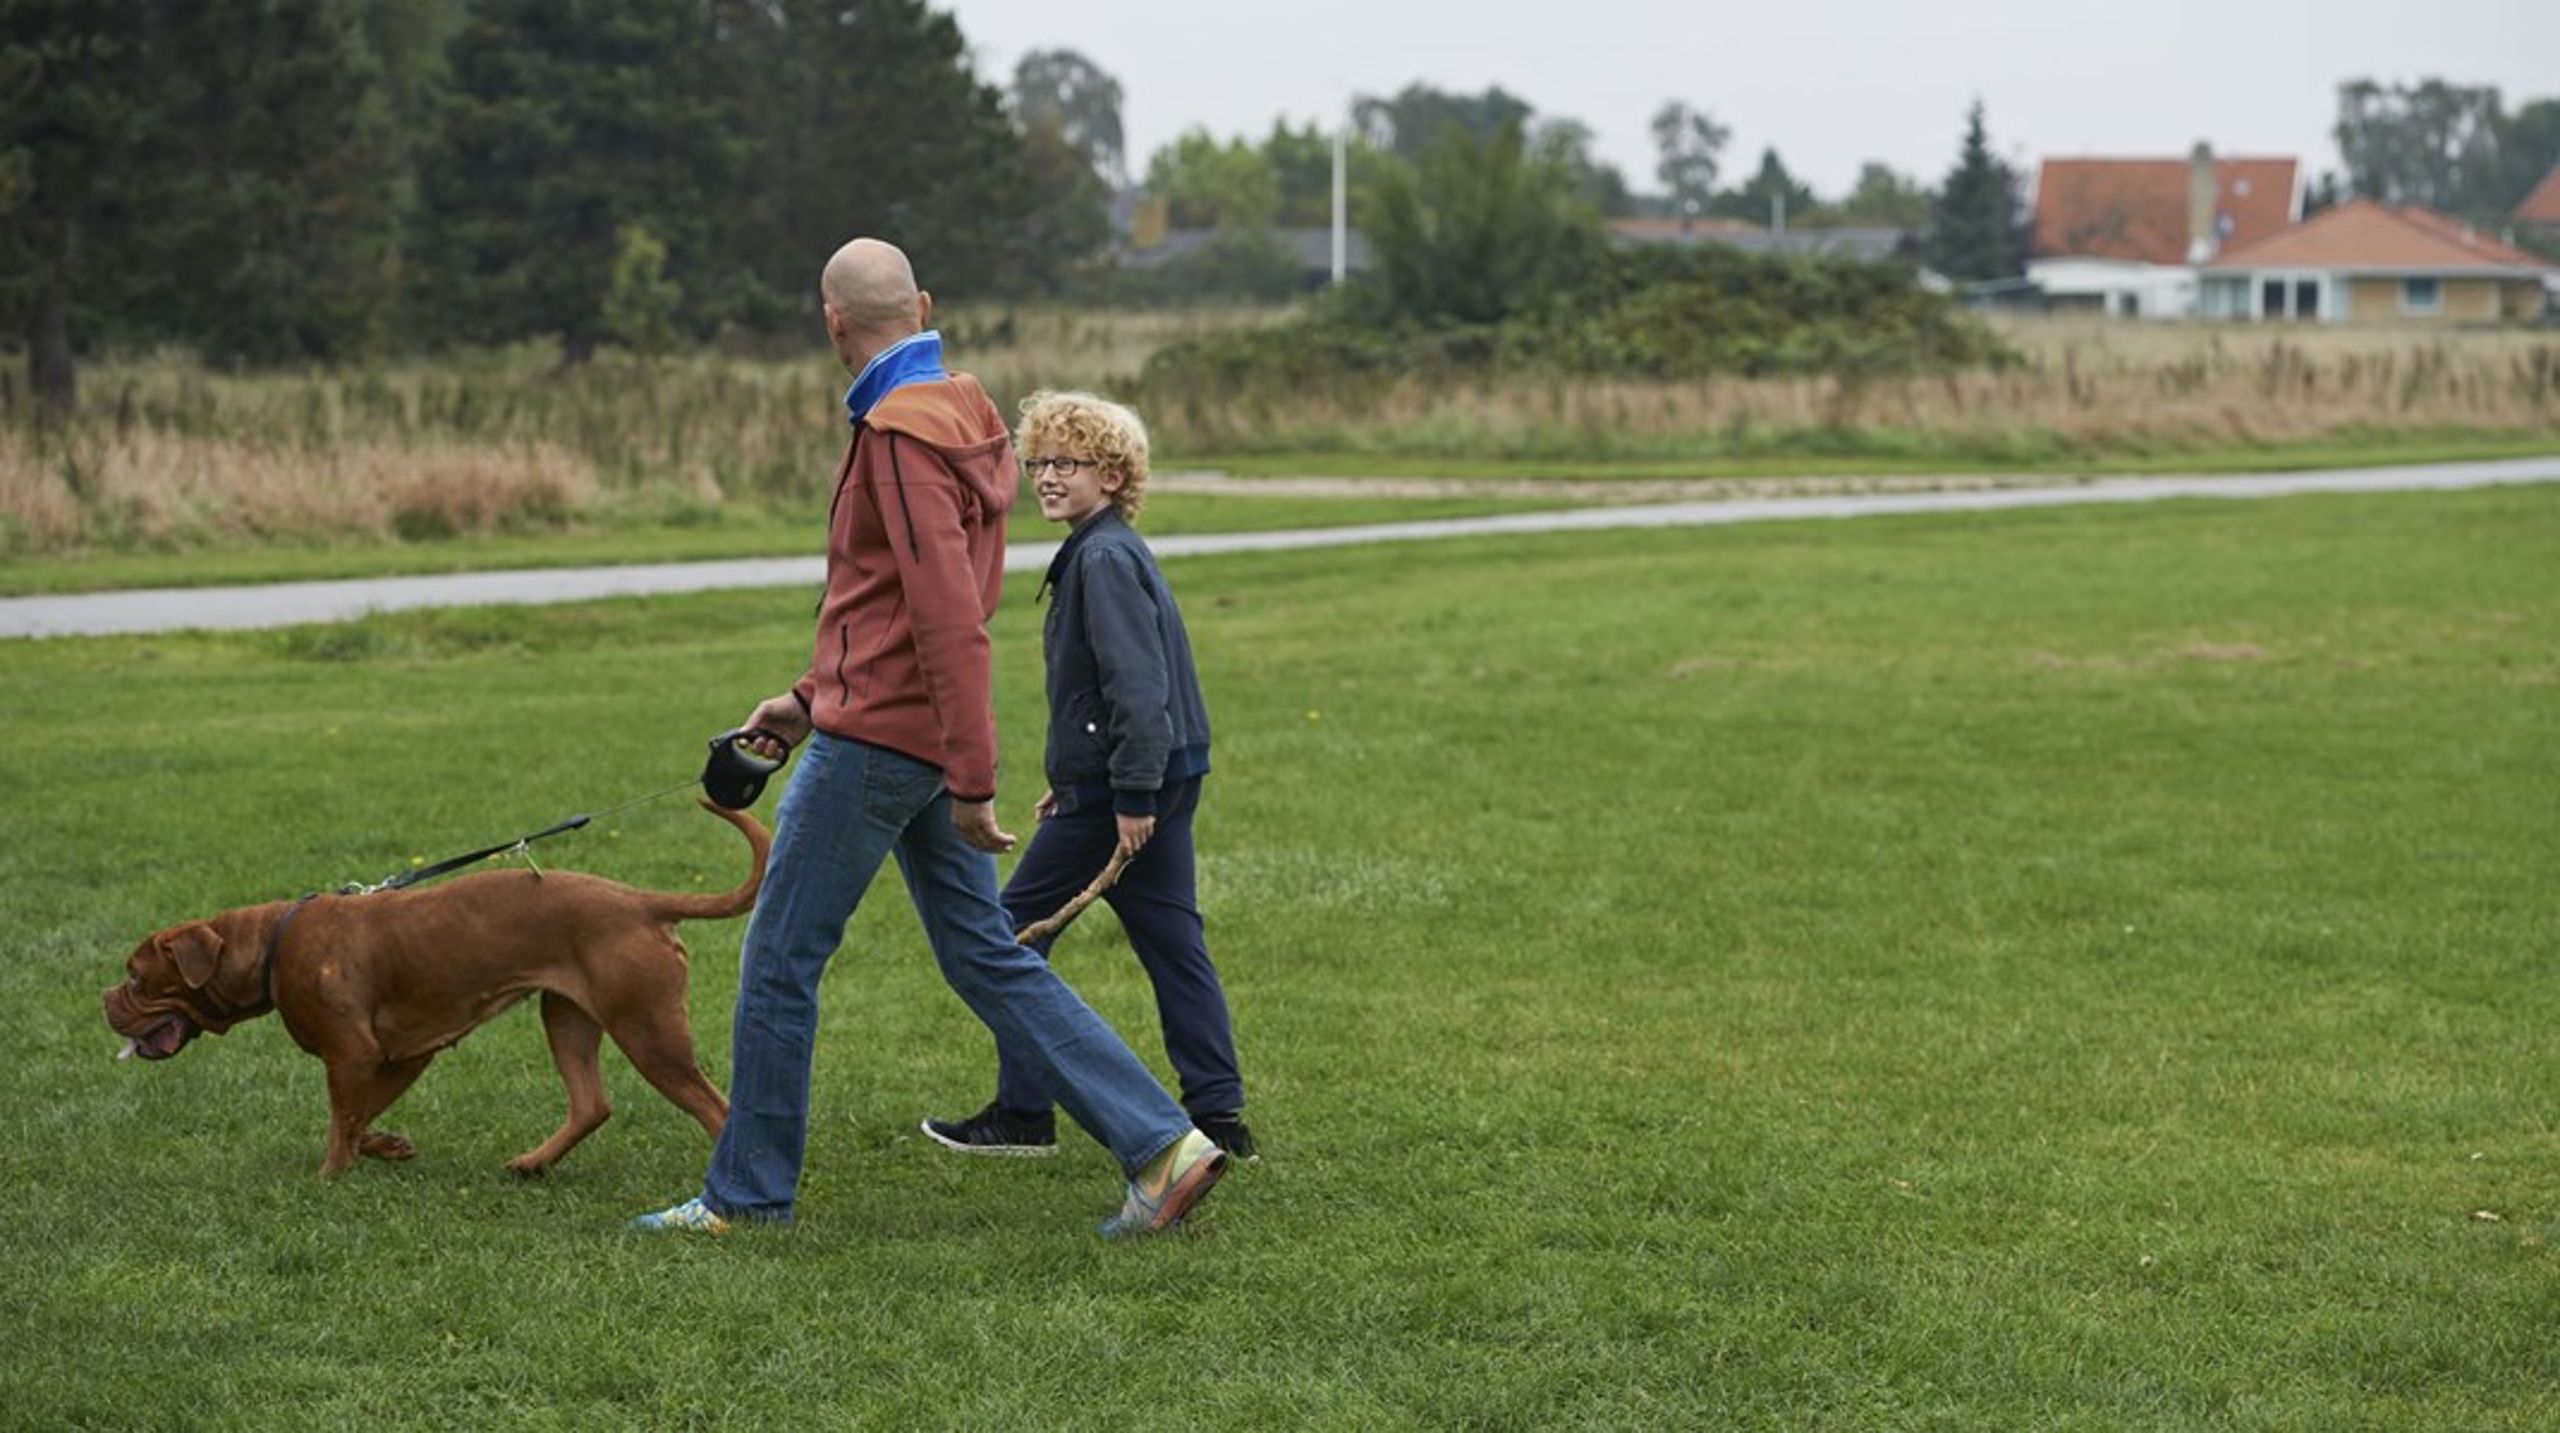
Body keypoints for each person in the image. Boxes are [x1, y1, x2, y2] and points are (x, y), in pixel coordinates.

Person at [630, 239, 1227, 1239]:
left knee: (779, 958)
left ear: (830, 322)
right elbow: (892, 605)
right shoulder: (965, 410)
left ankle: (746, 1197)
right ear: (923, 305)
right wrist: (808, 695)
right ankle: (1163, 1145)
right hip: (883, 723)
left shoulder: (900, 432)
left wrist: (970, 775)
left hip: (883, 747)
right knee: (985, 956)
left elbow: (948, 616)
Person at [922, 392, 1254, 1162]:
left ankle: (1023, 1113)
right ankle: (1222, 1119)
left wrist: (1125, 795)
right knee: (1174, 942)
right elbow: (1106, 694)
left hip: (1130, 789)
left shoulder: (1101, 558)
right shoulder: (1111, 547)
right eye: (1038, 461)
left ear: (1112, 475)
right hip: (1152, 775)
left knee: (1004, 937)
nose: (1045, 477)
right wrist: (1073, 774)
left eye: (1065, 463)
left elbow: (1137, 687)